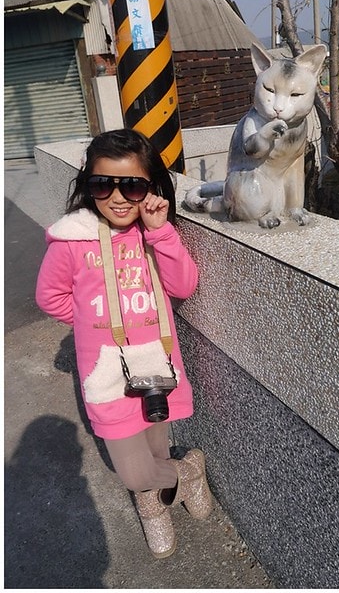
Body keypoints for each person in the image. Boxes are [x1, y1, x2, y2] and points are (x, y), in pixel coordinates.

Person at [35, 129, 211, 558]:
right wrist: (91, 327)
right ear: (88, 185)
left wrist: (161, 233)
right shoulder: (72, 240)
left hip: (157, 363)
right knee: (133, 471)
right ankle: (186, 474)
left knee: (156, 446)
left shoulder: (153, 234)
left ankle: (155, 507)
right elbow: (50, 297)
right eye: (103, 184)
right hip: (107, 373)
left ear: (150, 187)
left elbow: (184, 285)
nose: (117, 197)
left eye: (131, 186)